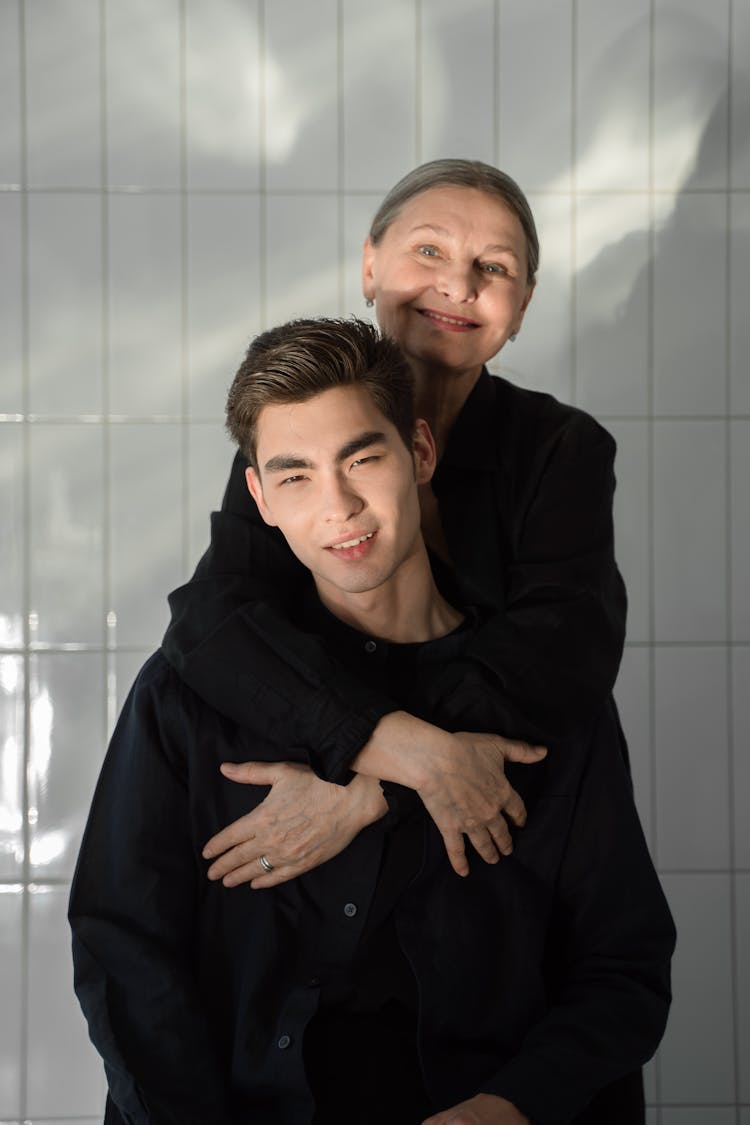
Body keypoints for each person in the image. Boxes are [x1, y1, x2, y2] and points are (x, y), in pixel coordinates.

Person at [70, 318, 675, 1125]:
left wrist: (512, 1104)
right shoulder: (187, 696)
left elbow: (623, 965)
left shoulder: (547, 704)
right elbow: (123, 950)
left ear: (420, 453)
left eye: (363, 459)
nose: (339, 507)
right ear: (259, 499)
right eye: (296, 477)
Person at [163, 159, 629, 893]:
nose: (458, 285)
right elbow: (213, 622)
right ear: (370, 267)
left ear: (525, 303)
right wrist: (397, 749)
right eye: (430, 251)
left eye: (493, 267)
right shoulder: (297, 432)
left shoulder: (561, 449)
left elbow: (561, 649)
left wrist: (369, 788)